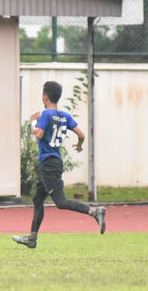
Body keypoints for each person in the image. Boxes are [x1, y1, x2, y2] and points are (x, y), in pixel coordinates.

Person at [13, 81, 107, 249]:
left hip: (48, 164)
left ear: (45, 97)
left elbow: (39, 135)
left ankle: (94, 212)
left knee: (61, 202)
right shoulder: (65, 115)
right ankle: (32, 238)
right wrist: (79, 145)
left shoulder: (46, 115)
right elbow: (81, 134)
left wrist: (33, 122)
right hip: (54, 161)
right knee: (37, 199)